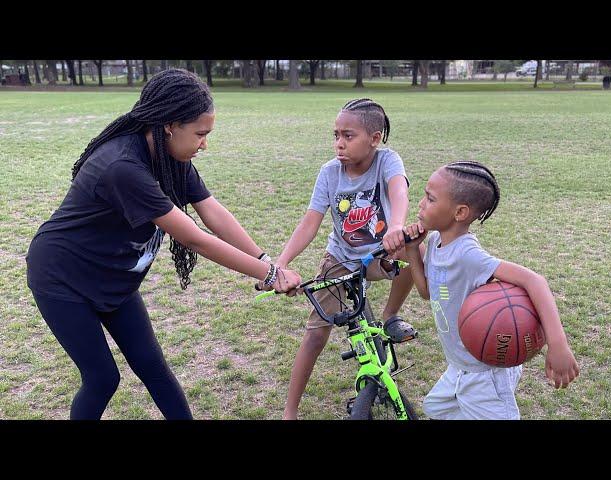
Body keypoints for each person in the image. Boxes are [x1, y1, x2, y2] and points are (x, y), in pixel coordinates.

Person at [25, 68, 301, 420]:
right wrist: (271, 272)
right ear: (170, 124)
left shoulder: (171, 155)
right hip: (63, 276)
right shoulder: (123, 165)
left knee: (152, 365)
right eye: (200, 134)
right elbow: (193, 237)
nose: (205, 143)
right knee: (102, 377)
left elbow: (211, 211)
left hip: (114, 276)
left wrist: (265, 259)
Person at [273, 98, 417, 420]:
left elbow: (399, 193)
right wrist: (279, 264)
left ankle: (391, 315)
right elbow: (310, 222)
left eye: (348, 135)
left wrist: (396, 227)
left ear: (375, 138)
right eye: (336, 135)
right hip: (341, 258)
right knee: (315, 334)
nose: (339, 143)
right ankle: (290, 411)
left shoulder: (387, 161)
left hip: (380, 254)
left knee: (414, 248)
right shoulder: (329, 172)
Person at [402, 160, 580, 420]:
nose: (420, 203)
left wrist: (558, 345)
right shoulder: (435, 241)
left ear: (460, 212)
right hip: (459, 365)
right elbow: (427, 291)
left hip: (485, 374)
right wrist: (411, 249)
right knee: (437, 409)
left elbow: (535, 281)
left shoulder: (468, 254)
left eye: (430, 198)